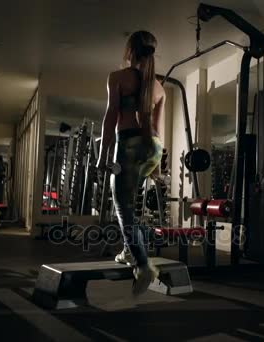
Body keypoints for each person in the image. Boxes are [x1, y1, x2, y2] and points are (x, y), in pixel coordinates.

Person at [96, 31, 165, 295]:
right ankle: (128, 249)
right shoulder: (159, 87)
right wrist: (158, 166)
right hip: (153, 148)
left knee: (123, 208)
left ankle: (144, 265)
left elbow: (111, 116)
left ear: (129, 51)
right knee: (131, 203)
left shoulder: (117, 77)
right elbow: (157, 129)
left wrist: (103, 156)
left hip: (128, 145)